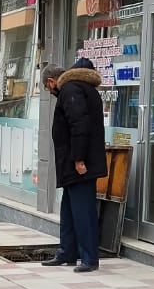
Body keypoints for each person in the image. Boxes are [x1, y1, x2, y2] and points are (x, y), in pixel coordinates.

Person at [40, 62, 107, 273]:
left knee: (83, 211)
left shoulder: (71, 90)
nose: (49, 92)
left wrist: (78, 160)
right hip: (73, 164)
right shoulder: (82, 89)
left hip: (79, 165)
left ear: (51, 82)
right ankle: (67, 253)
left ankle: (89, 258)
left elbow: (79, 125)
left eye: (47, 87)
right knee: (69, 210)